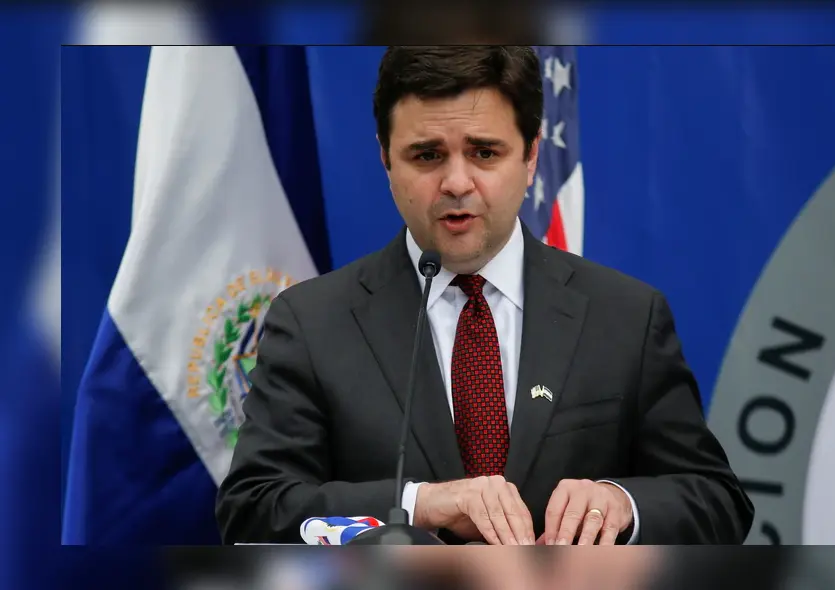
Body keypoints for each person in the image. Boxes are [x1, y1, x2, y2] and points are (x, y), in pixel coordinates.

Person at [215, 45, 754, 545]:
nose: (456, 182)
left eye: (484, 152)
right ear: (386, 159)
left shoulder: (626, 316)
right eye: (426, 155)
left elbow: (717, 501)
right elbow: (254, 507)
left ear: (531, 156)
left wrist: (622, 503)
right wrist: (417, 503)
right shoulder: (312, 323)